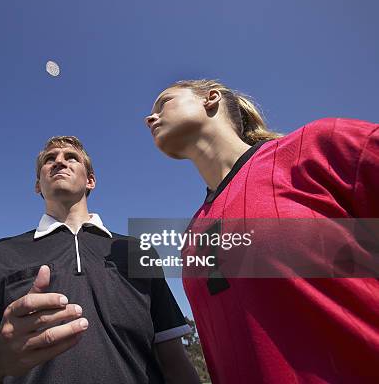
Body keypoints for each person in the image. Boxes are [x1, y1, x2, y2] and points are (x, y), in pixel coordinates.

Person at [144, 79, 379, 383]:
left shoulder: (319, 146)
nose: (149, 118)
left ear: (210, 99)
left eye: (164, 102)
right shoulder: (191, 238)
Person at [0, 136, 200, 383]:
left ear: (91, 181)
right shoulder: (0, 254)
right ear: (37, 185)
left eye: (71, 157)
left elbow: (174, 360)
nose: (59, 161)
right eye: (49, 159)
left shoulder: (138, 251)